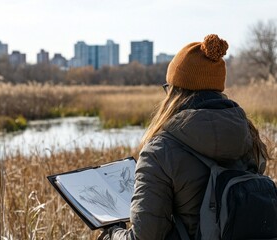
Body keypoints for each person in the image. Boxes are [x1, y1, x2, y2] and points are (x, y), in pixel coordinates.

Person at [98, 34, 270, 240]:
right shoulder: (249, 135)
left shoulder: (160, 150)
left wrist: (111, 233)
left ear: (175, 92)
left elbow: (144, 237)